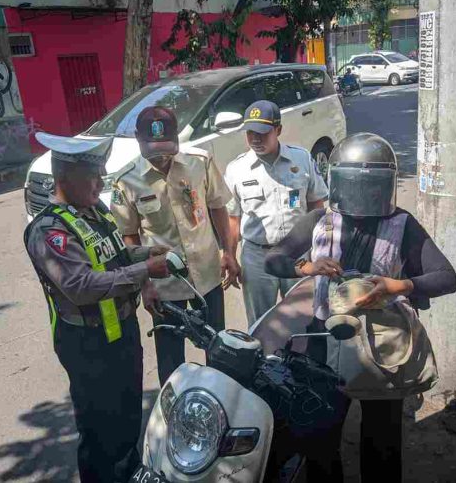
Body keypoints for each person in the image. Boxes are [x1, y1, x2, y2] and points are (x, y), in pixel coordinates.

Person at [264, 132, 456, 481]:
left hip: (382, 347)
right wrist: (306, 267)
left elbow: (447, 277)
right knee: (320, 437)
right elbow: (273, 259)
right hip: (326, 341)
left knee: (381, 442)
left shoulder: (402, 224)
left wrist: (400, 285)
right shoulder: (319, 221)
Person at [24, 132, 170, 483]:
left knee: (127, 420)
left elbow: (112, 256)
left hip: (121, 334)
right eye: (93, 176)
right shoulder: (49, 230)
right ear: (65, 179)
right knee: (99, 432)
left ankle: (129, 473)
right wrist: (144, 270)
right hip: (88, 346)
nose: (101, 182)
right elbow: (80, 285)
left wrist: (142, 254)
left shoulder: (95, 211)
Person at [111, 106, 240, 385]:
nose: (161, 156)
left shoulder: (200, 162)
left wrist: (228, 252)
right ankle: (175, 409)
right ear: (137, 139)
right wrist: (144, 285)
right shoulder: (127, 181)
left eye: (167, 148)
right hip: (164, 284)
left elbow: (218, 207)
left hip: (207, 273)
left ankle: (220, 398)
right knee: (170, 357)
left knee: (217, 345)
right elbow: (129, 236)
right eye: (153, 149)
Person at [223, 100, 328, 326]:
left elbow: (317, 208)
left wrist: (320, 250)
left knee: (303, 319)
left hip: (298, 254)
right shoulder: (236, 169)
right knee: (261, 324)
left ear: (278, 130)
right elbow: (233, 219)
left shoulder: (301, 160)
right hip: (257, 257)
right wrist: (229, 255)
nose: (255, 139)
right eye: (250, 133)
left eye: (263, 133)